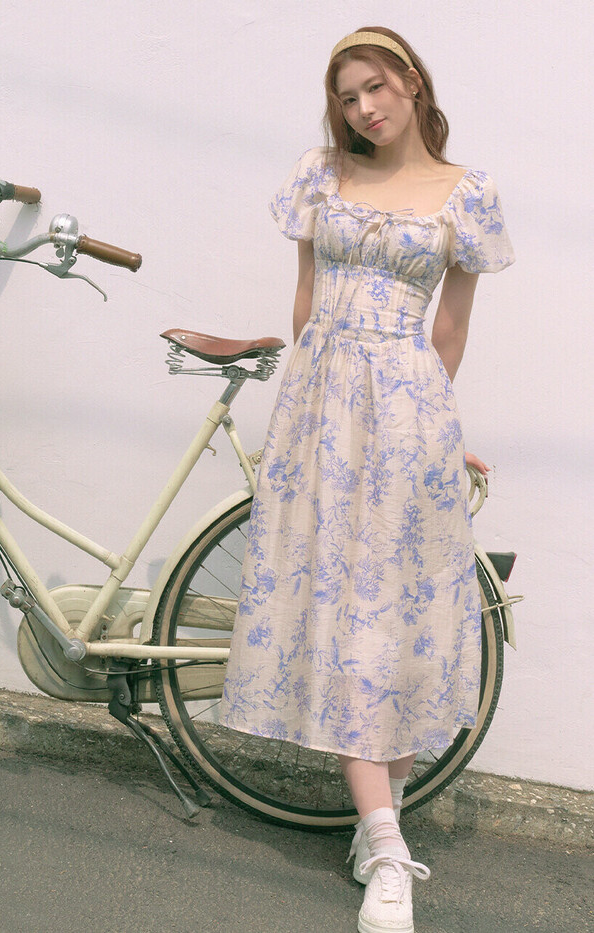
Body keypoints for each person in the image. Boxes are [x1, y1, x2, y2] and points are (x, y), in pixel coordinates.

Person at [218, 25, 515, 933]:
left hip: (409, 409)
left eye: (376, 87)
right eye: (347, 97)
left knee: (390, 619)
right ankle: (384, 843)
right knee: (340, 610)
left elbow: (450, 329)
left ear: (412, 81)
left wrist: (434, 430)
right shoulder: (322, 174)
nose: (363, 108)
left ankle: (378, 830)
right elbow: (306, 300)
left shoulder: (468, 193)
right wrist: (309, 412)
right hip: (320, 405)